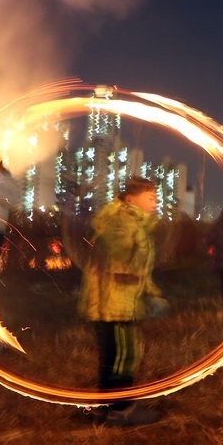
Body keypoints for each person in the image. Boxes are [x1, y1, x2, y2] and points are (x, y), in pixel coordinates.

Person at [77, 177, 163, 427]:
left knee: (113, 357)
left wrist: (152, 293)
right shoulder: (122, 224)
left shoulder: (133, 224)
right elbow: (116, 259)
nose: (155, 203)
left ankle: (105, 409)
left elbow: (140, 270)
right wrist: (136, 286)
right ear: (130, 199)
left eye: (156, 198)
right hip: (115, 305)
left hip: (119, 301)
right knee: (124, 357)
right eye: (150, 198)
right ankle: (122, 410)